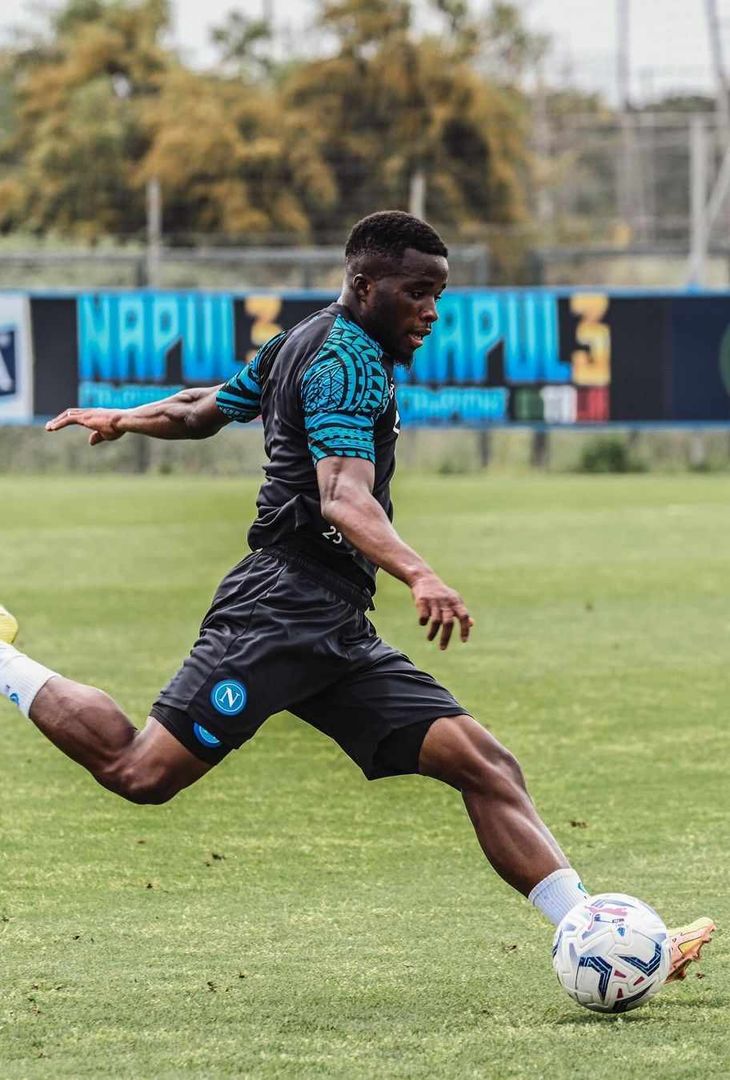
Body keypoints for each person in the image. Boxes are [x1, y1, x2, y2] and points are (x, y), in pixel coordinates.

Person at [0, 211, 713, 986]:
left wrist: (126, 418)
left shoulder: (301, 340)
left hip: (332, 619)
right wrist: (421, 573)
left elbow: (204, 408)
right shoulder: (347, 360)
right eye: (417, 293)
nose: (431, 312)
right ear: (366, 285)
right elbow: (342, 496)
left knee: (484, 762)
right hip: (280, 610)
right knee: (139, 770)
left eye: (438, 294)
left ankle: (599, 936)